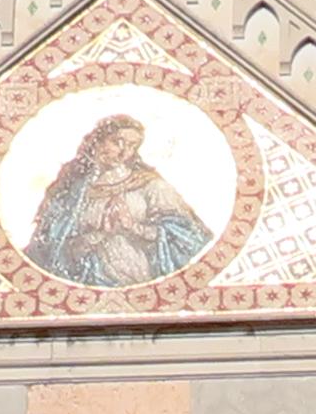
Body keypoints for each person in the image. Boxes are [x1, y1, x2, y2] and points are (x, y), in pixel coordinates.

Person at [25, 109, 211, 288]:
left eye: (132, 146)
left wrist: (133, 227)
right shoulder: (72, 191)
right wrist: (98, 235)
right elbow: (51, 249)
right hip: (88, 282)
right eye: (117, 142)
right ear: (97, 142)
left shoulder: (150, 185)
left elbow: (187, 236)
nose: (124, 152)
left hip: (138, 278)